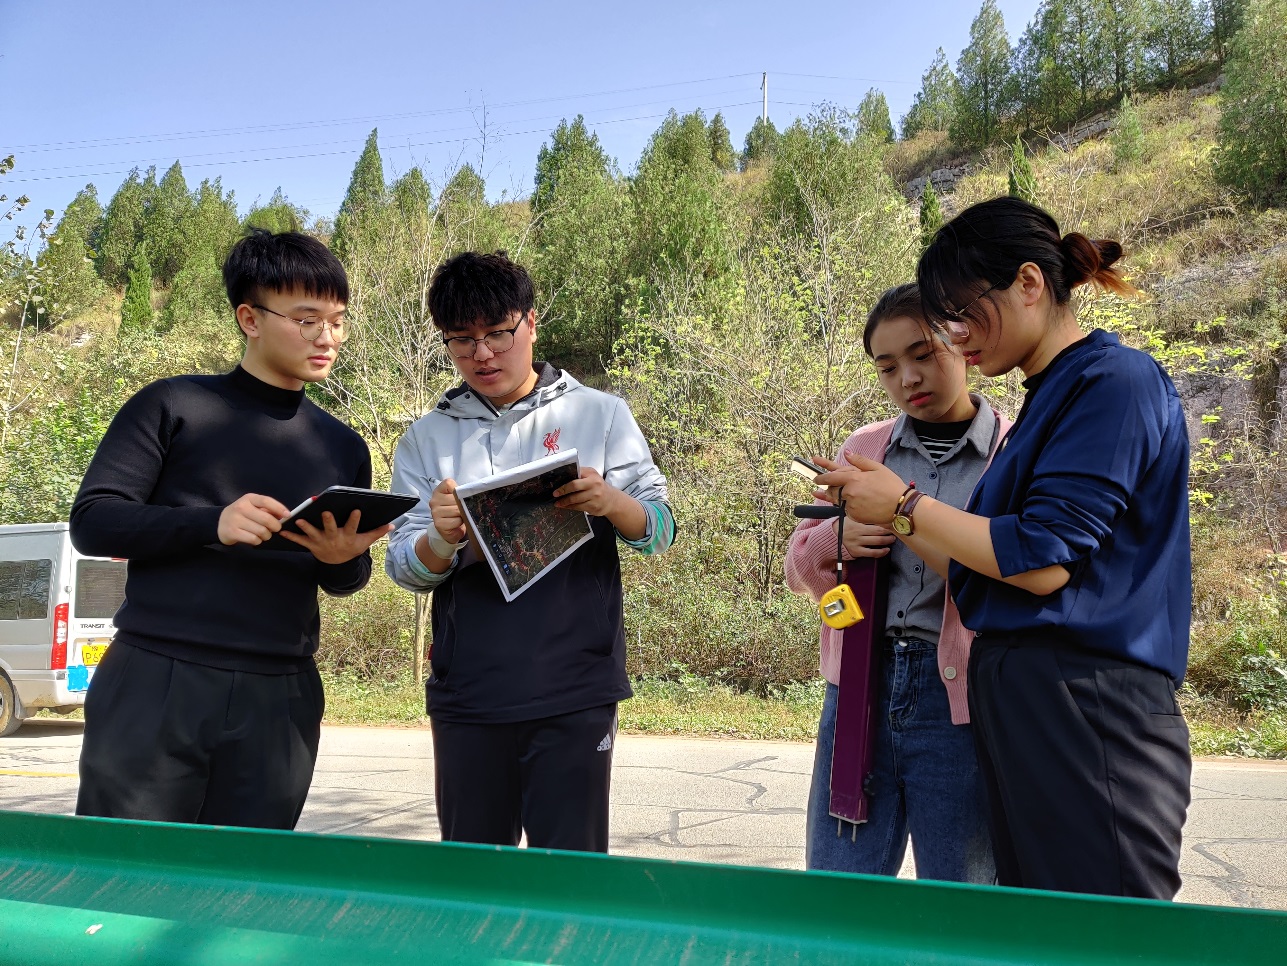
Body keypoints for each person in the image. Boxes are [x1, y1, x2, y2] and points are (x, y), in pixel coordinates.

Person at [817, 196, 1192, 899]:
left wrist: (900, 506)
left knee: (1104, 935)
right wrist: (883, 519)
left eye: (961, 314)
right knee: (1035, 927)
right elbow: (982, 565)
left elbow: (1042, 559)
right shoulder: (1049, 398)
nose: (957, 336)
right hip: (1028, 709)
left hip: (1089, 710)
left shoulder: (1112, 382)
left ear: (1027, 283)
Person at [70, 229, 390, 829]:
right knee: (126, 873)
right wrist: (212, 523)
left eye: (338, 321)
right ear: (249, 317)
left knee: (247, 884)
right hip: (159, 675)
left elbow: (346, 579)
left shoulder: (342, 446)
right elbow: (94, 521)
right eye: (306, 319)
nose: (327, 337)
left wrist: (341, 558)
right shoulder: (172, 405)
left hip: (282, 693)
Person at [385, 251, 674, 854]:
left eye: (498, 333)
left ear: (531, 324)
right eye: (461, 341)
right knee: (474, 872)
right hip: (469, 692)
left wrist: (609, 500)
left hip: (575, 684)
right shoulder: (426, 438)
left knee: (571, 876)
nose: (483, 354)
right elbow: (404, 567)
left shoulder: (599, 414)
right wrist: (440, 539)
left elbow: (660, 531)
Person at [786, 283, 1007, 882]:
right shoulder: (864, 448)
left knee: (960, 896)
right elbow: (799, 564)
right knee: (839, 889)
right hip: (858, 687)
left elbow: (1009, 581)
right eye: (888, 367)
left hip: (959, 701)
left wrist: (902, 516)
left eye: (924, 353)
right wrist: (839, 542)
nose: (908, 377)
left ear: (961, 345)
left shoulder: (1008, 452)